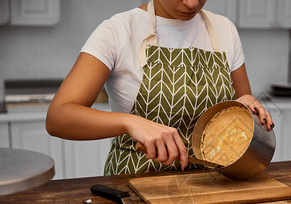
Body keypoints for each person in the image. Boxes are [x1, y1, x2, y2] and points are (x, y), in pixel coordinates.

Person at [46, 0, 274, 175]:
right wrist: (130, 122)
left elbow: (242, 107)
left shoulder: (225, 30)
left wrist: (244, 109)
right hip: (135, 186)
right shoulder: (117, 31)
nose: (192, 3)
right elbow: (59, 117)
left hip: (212, 185)